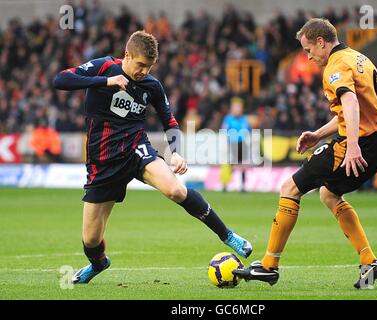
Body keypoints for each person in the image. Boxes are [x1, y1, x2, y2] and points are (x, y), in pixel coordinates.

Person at [53, 31, 252, 285]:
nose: (144, 71)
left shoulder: (151, 86)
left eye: (149, 66)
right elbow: (60, 80)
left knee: (175, 190)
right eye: (140, 65)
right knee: (91, 240)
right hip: (101, 161)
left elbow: (169, 120)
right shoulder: (104, 67)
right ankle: (98, 263)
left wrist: (176, 151)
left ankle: (228, 235)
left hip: (136, 148)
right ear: (127, 55)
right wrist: (105, 82)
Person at [233, 18, 377, 289]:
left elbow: (350, 102)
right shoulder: (357, 58)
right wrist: (318, 135)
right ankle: (370, 261)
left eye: (309, 50)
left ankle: (269, 266)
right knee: (328, 194)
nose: (308, 57)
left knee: (290, 187)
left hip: (360, 143)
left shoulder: (335, 66)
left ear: (321, 42)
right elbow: (352, 110)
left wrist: (352, 145)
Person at [220, 97, 252, 192]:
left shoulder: (244, 119)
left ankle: (242, 186)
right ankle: (225, 184)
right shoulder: (228, 119)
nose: (238, 110)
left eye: (239, 108)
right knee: (230, 164)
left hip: (242, 144)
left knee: (242, 165)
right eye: (236, 108)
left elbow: (249, 131)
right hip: (232, 144)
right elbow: (224, 130)